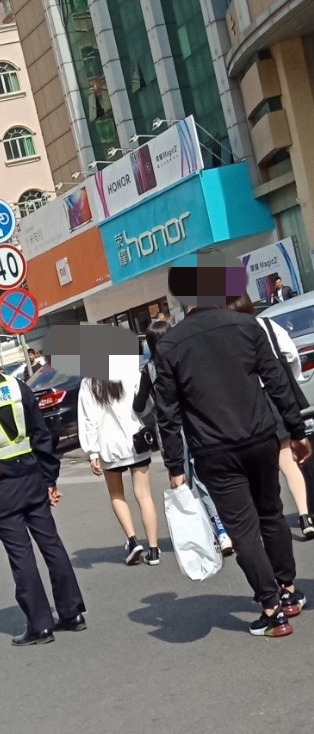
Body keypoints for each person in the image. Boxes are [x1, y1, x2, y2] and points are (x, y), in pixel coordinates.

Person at [155, 273, 311, 637]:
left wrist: (176, 468)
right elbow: (277, 381)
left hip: (214, 449)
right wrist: (297, 431)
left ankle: (271, 609)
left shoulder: (170, 344)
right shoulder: (246, 326)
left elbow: (167, 413)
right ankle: (288, 590)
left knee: (242, 529)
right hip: (260, 437)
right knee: (271, 513)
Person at [0, 326, 86, 645]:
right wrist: (49, 478)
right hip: (33, 478)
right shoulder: (16, 385)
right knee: (52, 545)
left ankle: (40, 625)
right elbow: (42, 433)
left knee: (21, 555)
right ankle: (72, 612)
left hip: (0, 487)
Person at [135, 319, 234, 556]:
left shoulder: (149, 370)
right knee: (203, 479)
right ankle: (222, 531)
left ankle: (199, 537)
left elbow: (139, 406)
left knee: (182, 485)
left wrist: (154, 406)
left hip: (170, 433)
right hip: (195, 425)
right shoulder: (185, 357)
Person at [228, 293, 314, 539]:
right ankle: (305, 516)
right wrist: (291, 380)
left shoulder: (228, 334)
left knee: (261, 465)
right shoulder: (266, 325)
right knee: (288, 459)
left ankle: (270, 519)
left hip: (248, 404)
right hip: (275, 397)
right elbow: (291, 355)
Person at [77, 356, 161, 566]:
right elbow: (145, 405)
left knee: (116, 494)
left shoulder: (89, 382)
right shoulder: (130, 372)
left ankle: (132, 541)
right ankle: (153, 550)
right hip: (136, 442)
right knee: (144, 495)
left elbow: (88, 420)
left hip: (108, 447)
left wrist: (92, 453)